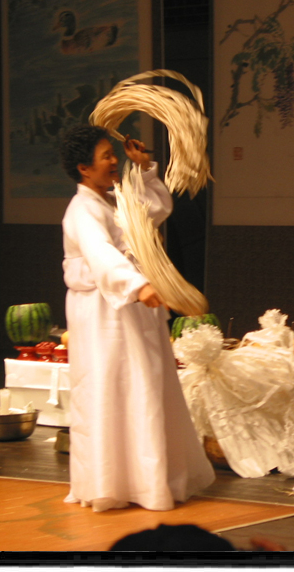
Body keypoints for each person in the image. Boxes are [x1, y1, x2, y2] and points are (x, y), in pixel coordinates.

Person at [59, 125, 215, 512]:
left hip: (132, 303)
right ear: (84, 169)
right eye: (106, 156)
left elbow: (153, 212)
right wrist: (137, 285)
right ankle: (112, 483)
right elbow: (100, 253)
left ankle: (149, 481)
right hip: (102, 312)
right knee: (110, 389)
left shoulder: (114, 199)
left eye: (113, 154)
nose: (114, 161)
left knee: (146, 384)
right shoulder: (82, 210)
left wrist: (143, 169)